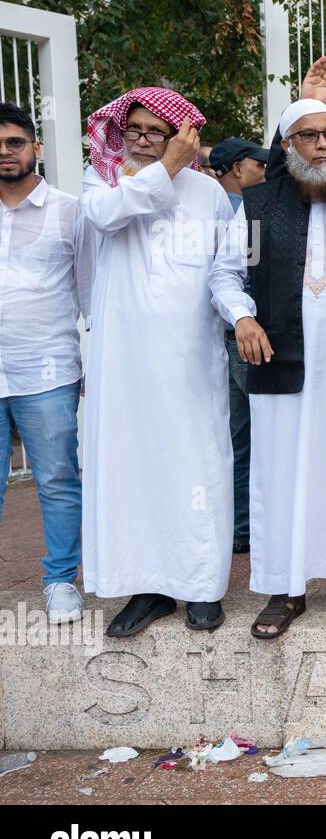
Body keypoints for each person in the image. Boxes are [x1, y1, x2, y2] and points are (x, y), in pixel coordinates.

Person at [213, 94, 326, 639]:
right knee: (281, 473)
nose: (323, 144)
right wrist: (243, 319)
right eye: (311, 135)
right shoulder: (256, 206)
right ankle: (285, 587)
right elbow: (226, 276)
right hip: (280, 361)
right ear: (287, 146)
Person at [80, 87, 234, 636]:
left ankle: (200, 588)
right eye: (135, 130)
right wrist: (162, 170)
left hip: (192, 356)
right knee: (134, 466)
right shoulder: (103, 178)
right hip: (125, 360)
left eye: (157, 132)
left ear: (180, 135)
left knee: (197, 466)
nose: (143, 141)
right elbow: (104, 217)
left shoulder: (211, 194)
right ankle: (147, 589)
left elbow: (226, 267)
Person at [0, 103, 91, 623]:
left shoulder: (68, 211)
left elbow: (89, 291)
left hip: (47, 370)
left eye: (15, 142)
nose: (5, 152)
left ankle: (60, 580)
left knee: (56, 476)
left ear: (36, 148)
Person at [208, 137, 268, 556]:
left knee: (240, 438)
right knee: (262, 436)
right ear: (234, 169)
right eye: (256, 164)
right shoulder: (239, 212)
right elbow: (229, 275)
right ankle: (254, 528)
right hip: (248, 339)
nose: (264, 170)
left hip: (232, 337)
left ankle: (240, 529)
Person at [209, 139, 268, 213]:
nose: (266, 171)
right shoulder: (250, 212)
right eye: (260, 165)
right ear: (238, 169)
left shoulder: (210, 208)